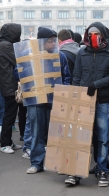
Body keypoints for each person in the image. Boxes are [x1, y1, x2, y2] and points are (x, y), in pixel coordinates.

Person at [68, 22, 109, 187]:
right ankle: (76, 171)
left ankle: (102, 170)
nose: (93, 37)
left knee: (103, 138)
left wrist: (96, 84)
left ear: (103, 35)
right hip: (84, 101)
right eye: (90, 33)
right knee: (81, 137)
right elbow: (76, 76)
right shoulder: (82, 53)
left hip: (103, 101)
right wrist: (76, 96)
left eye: (96, 34)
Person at [26, 27, 71, 174]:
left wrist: (63, 94)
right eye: (49, 41)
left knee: (57, 133)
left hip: (55, 100)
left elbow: (66, 78)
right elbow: (18, 73)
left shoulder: (61, 56)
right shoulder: (30, 56)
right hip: (36, 100)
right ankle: (36, 163)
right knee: (37, 133)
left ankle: (57, 163)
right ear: (42, 42)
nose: (53, 44)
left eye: (54, 41)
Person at [0, 23, 22, 154]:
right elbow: (18, 60)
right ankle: (5, 143)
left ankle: (9, 141)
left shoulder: (4, 44)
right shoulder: (6, 45)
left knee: (10, 114)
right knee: (9, 115)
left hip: (8, 84)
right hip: (9, 85)